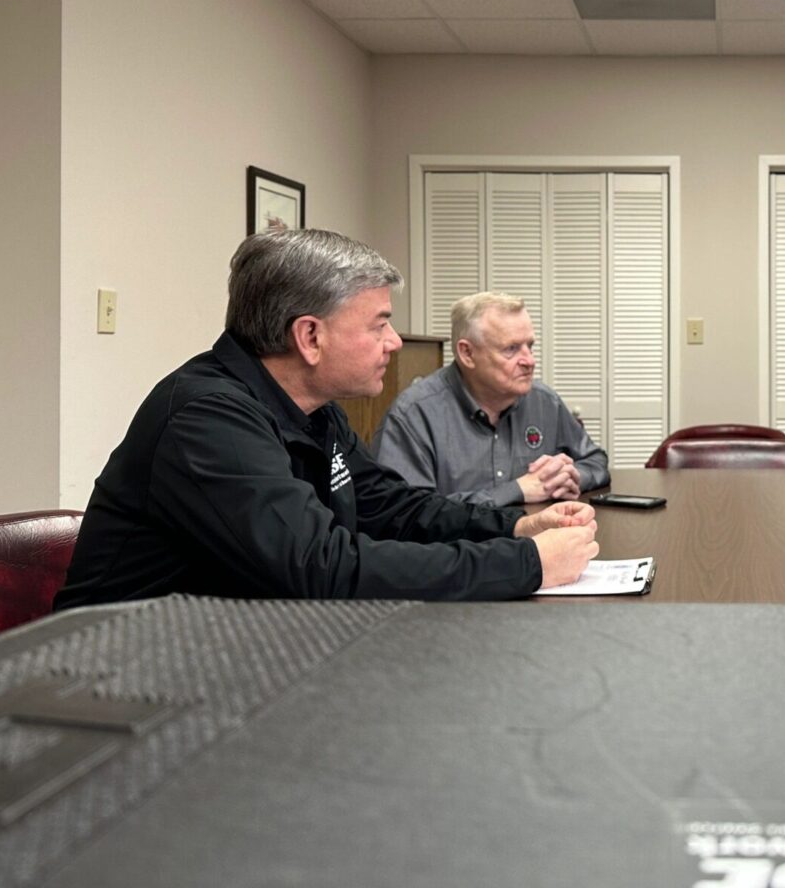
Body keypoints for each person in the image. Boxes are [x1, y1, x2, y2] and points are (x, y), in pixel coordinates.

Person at [55, 230, 599, 609]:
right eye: (380, 324)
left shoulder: (313, 411)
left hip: (226, 651)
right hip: (119, 681)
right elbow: (322, 569)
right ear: (310, 337)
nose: (393, 343)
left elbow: (391, 508)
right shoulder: (208, 419)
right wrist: (526, 563)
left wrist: (514, 526)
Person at [372, 292, 609, 509]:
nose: (529, 361)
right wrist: (516, 491)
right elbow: (406, 513)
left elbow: (595, 461)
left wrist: (571, 475)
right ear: (467, 353)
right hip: (456, 551)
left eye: (530, 346)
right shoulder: (413, 415)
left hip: (537, 545)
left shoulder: (544, 402)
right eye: (511, 349)